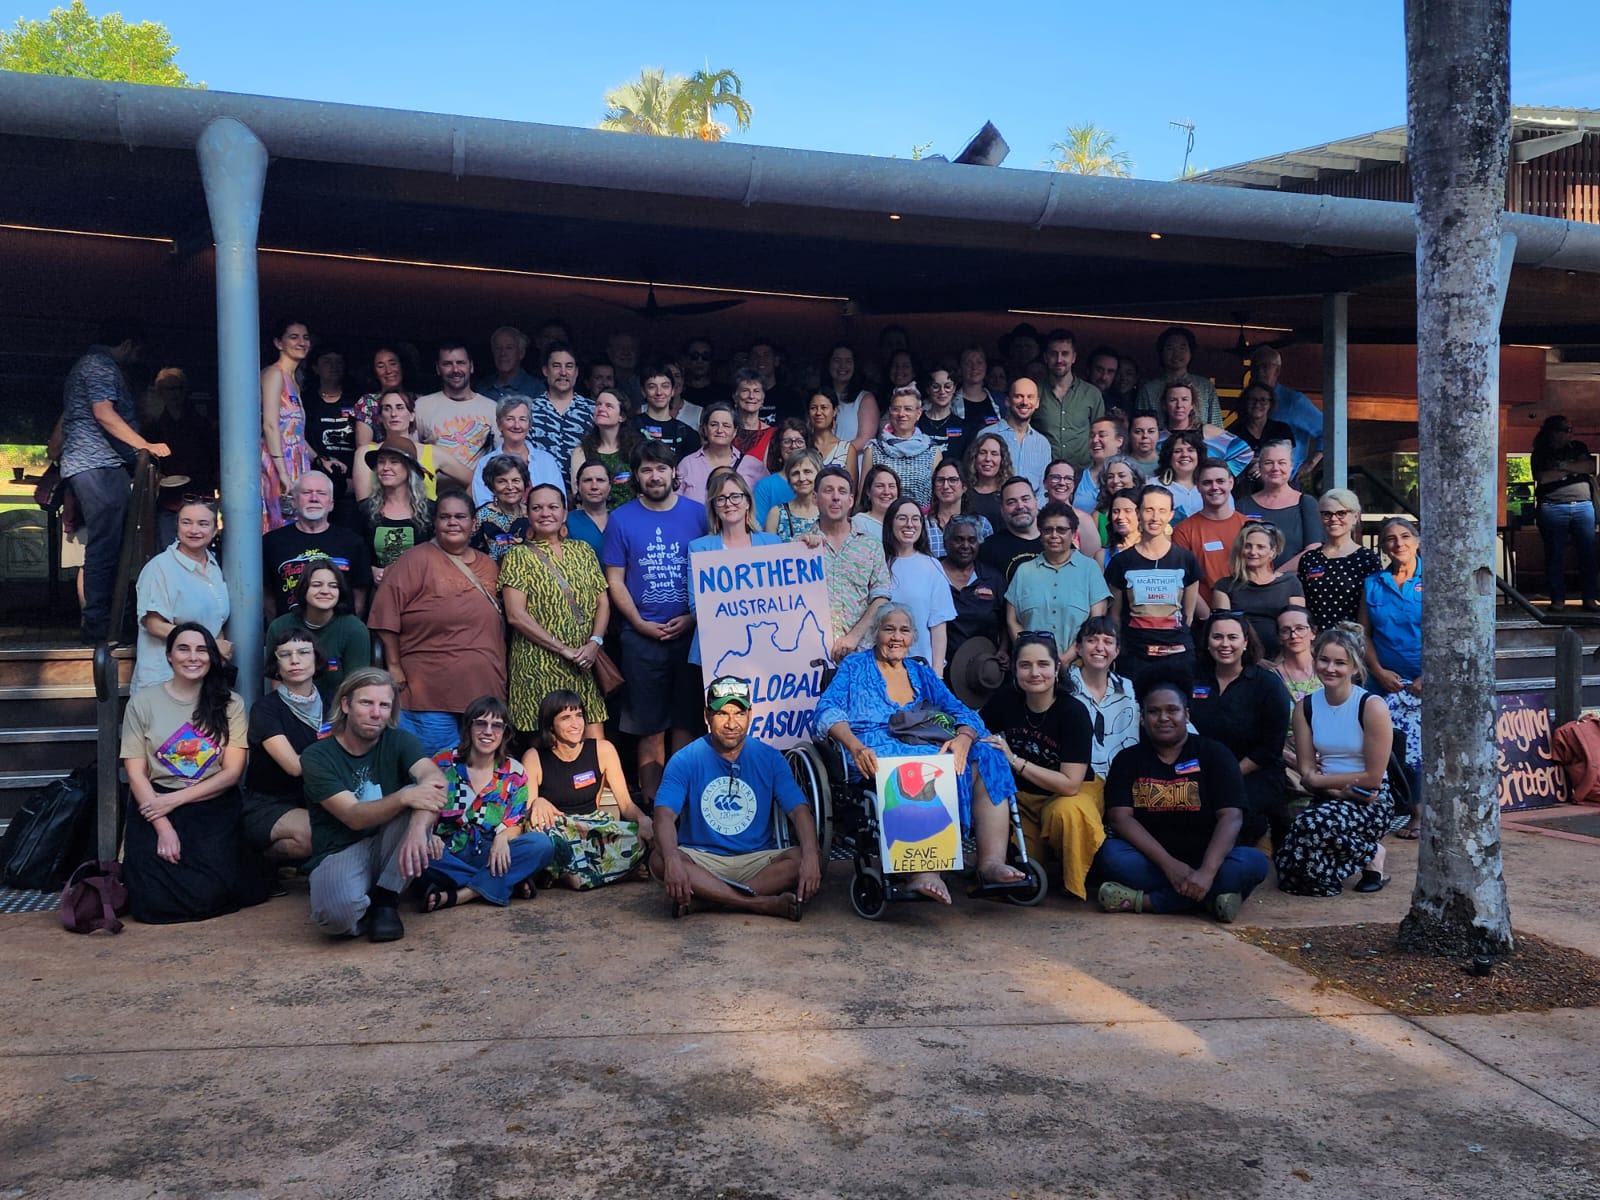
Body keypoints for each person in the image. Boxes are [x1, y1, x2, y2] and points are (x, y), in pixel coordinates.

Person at [815, 605, 1027, 903]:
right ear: (876, 634)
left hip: (924, 744)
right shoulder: (854, 667)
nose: (896, 637)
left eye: (904, 630)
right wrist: (855, 746)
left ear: (913, 636)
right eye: (889, 629)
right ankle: (923, 870)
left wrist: (965, 738)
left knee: (988, 755)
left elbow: (961, 710)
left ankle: (990, 863)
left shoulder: (920, 671)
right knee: (917, 765)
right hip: (872, 749)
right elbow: (826, 711)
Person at [120, 622, 266, 924]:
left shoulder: (231, 704)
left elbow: (232, 772)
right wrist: (163, 826)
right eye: (183, 649)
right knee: (150, 903)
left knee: (210, 893)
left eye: (201, 649)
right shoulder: (142, 703)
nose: (193, 657)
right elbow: (136, 773)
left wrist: (175, 801)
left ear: (212, 656)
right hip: (154, 805)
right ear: (169, 655)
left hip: (211, 805)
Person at [1093, 676, 1270, 920]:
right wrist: (1171, 866)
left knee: (1254, 862)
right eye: (1154, 712)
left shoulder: (1215, 754)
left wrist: (1207, 873)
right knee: (1110, 855)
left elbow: (1231, 816)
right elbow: (1120, 818)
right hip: (1152, 862)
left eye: (1172, 710)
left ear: (1186, 715)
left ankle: (1144, 901)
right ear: (1142, 719)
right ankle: (1209, 900)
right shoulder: (1127, 759)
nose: (1163, 717)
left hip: (1210, 859)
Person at [652, 676, 822, 919]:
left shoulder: (770, 758)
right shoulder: (685, 759)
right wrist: (672, 860)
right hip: (702, 858)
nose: (731, 723)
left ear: (750, 715)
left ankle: (709, 900)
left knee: (800, 857)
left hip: (756, 859)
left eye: (739, 714)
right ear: (706, 717)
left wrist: (811, 856)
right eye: (722, 714)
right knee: (660, 859)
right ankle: (759, 904)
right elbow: (664, 815)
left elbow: (799, 810)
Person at [301, 669, 448, 942]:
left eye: (384, 705)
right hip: (341, 849)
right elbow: (353, 816)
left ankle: (385, 900)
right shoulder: (316, 756)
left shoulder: (399, 740)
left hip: (391, 842)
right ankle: (365, 898)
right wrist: (405, 797)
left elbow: (435, 780)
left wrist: (420, 829)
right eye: (366, 703)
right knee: (335, 919)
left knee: (420, 793)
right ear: (345, 705)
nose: (376, 713)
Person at [604, 441, 707, 800]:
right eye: (646, 469)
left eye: (661, 468)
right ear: (636, 476)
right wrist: (638, 622)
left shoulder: (698, 514)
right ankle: (652, 805)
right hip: (641, 638)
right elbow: (614, 580)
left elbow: (714, 570)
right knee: (649, 728)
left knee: (685, 724)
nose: (654, 476)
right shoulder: (621, 519)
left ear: (674, 472)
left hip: (691, 637)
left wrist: (692, 619)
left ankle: (680, 802)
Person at [367, 491, 506, 755]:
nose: (453, 522)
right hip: (428, 693)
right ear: (435, 523)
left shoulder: (490, 566)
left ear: (473, 523)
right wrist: (394, 666)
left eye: (460, 517)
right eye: (445, 517)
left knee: (476, 778)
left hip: (484, 693)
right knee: (432, 774)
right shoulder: (414, 560)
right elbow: (385, 614)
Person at [62, 321, 168, 641]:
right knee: (105, 546)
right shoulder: (99, 366)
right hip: (96, 463)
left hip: (101, 464)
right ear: (126, 344)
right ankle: (99, 626)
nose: (136, 358)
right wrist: (143, 445)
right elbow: (103, 412)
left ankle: (107, 622)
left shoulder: (93, 366)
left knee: (112, 544)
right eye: (136, 352)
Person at [981, 631, 1104, 899]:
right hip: (1023, 799)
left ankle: (1075, 885)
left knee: (1067, 812)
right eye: (1025, 665)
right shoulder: (1005, 701)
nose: (1034, 673)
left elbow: (1070, 784)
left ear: (1057, 668)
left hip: (1069, 792)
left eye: (1043, 664)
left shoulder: (1073, 712)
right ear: (1014, 669)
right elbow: (977, 729)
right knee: (1025, 873)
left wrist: (1014, 760)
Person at [1274, 625, 1395, 895]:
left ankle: (1372, 852)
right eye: (1324, 660)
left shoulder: (1371, 706)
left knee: (1310, 825)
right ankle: (1367, 853)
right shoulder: (1306, 706)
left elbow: (1373, 777)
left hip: (1370, 798)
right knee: (1288, 869)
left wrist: (1321, 780)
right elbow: (1306, 771)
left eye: (1340, 663)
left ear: (1354, 667)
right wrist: (1333, 789)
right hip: (1328, 795)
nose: (1330, 668)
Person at [414, 697, 556, 912]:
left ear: (505, 733)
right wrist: (429, 834)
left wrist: (502, 838)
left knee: (542, 844)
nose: (488, 731)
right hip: (446, 850)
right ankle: (507, 883)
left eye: (496, 725)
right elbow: (424, 807)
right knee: (416, 853)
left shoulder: (514, 772)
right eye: (480, 723)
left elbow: (515, 822)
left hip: (491, 852)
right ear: (468, 727)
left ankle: (459, 895)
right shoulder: (442, 763)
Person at [499, 483, 611, 738]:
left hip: (583, 663)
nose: (545, 513)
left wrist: (594, 642)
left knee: (593, 744)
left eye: (552, 507)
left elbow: (602, 601)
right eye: (537, 508)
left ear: (564, 511)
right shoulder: (517, 556)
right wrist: (563, 649)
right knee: (547, 747)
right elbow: (516, 615)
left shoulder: (582, 550)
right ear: (527, 513)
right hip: (538, 666)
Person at [523, 689, 654, 889]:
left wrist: (643, 819)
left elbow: (626, 805)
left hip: (593, 830)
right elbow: (527, 814)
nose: (575, 724)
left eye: (579, 716)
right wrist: (538, 802)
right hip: (559, 829)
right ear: (551, 724)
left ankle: (569, 874)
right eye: (566, 718)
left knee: (643, 838)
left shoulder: (603, 749)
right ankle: (614, 874)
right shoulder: (534, 757)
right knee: (538, 834)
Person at [1187, 611, 1292, 848]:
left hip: (1253, 772)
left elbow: (1270, 748)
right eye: (1217, 637)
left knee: (1231, 816)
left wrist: (1227, 774)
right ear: (1207, 641)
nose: (1225, 644)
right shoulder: (1191, 678)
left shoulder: (1267, 684)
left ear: (1245, 642)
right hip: (1198, 771)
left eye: (1232, 637)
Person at [1360, 517, 1424, 839]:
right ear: (1382, 546)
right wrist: (1379, 671)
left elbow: (1448, 632)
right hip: (1383, 680)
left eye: (1404, 536)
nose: (1398, 543)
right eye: (1389, 539)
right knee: (1382, 745)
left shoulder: (1436, 579)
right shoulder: (1373, 583)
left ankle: (1421, 812)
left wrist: (1428, 677)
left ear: (1418, 540)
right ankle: (1392, 809)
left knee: (1419, 750)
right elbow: (1365, 635)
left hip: (1426, 682)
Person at [1104, 484, 1201, 685]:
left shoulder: (1186, 559)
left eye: (1162, 510)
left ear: (1171, 514)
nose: (1155, 517)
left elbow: (1188, 615)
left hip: (1178, 657)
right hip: (1135, 657)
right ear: (1138, 512)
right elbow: (1115, 616)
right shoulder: (1121, 562)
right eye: (1149, 510)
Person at [242, 626, 323, 866]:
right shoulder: (265, 709)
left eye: (303, 652)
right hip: (270, 803)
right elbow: (294, 766)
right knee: (317, 833)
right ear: (276, 664)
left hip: (321, 797)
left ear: (316, 659)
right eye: (285, 655)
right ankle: (259, 861)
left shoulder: (334, 701)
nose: (295, 660)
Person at [133, 499, 231, 693]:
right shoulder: (160, 567)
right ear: (177, 527)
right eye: (186, 522)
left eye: (203, 524)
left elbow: (216, 619)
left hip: (202, 679)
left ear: (214, 530)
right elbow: (154, 625)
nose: (194, 530)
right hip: (163, 682)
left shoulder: (214, 566)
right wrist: (210, 644)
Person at [690, 467, 785, 664]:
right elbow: (695, 608)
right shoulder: (699, 549)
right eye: (720, 498)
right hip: (719, 651)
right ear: (714, 507)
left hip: (768, 648)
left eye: (735, 496)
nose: (728, 503)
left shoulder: (773, 543)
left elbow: (786, 598)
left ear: (747, 502)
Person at [1005, 501, 1111, 663]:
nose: (1054, 535)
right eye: (1048, 530)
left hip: (1078, 666)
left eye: (1061, 530)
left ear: (1074, 533)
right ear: (1040, 533)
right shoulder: (1024, 571)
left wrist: (1066, 659)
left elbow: (1095, 622)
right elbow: (1012, 620)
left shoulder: (1089, 569)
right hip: (1034, 669)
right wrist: (1031, 657)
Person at [262, 471, 372, 620]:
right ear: (294, 501)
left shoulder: (353, 542)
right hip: (291, 637)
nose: (314, 498)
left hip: (339, 634)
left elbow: (359, 596)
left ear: (331, 504)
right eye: (306, 493)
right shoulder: (271, 543)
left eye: (321, 493)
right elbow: (267, 597)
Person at [808, 465, 891, 661]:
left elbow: (881, 596)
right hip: (812, 658)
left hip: (861, 654)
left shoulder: (870, 544)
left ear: (851, 500)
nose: (836, 497)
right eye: (828, 491)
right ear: (814, 498)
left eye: (842, 491)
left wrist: (853, 637)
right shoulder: (799, 547)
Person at [263, 556, 370, 708]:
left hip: (339, 712)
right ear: (303, 588)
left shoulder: (354, 629)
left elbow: (357, 686)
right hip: (291, 708)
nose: (325, 591)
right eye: (316, 585)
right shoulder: (280, 626)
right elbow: (277, 681)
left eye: (333, 586)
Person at [1531, 414, 1600, 610]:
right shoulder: (1541, 452)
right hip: (1552, 508)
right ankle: (1558, 600)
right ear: (1553, 432)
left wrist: (1561, 467)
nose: (1569, 434)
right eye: (1565, 430)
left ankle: (1589, 598)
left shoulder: (1578, 447)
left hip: (1583, 506)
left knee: (1588, 554)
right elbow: (1543, 477)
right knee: (1555, 555)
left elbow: (1590, 466)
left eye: (1570, 430)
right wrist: (1574, 469)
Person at [1210, 522, 1308, 658]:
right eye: (1248, 546)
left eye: (1260, 547)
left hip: (1282, 659)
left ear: (1272, 552)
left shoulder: (1290, 583)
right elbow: (1223, 630)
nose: (1253, 552)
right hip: (1240, 659)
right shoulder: (1225, 586)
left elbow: (1298, 627)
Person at [1172, 460, 1259, 609]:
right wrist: (1206, 616)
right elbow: (1181, 579)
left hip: (1250, 611)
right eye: (1207, 483)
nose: (1215, 487)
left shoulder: (1251, 527)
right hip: (1206, 616)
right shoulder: (1184, 530)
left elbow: (1262, 572)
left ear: (1231, 483)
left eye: (1220, 481)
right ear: (1198, 486)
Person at [884, 496, 956, 674]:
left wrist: (937, 672)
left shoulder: (932, 566)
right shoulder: (876, 561)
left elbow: (938, 624)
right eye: (902, 518)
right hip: (879, 668)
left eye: (916, 519)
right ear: (890, 523)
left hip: (920, 669)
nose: (910, 524)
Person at [414, 340, 497, 492]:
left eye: (461, 363)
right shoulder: (422, 406)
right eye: (447, 364)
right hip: (432, 497)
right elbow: (411, 456)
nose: (455, 369)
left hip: (476, 496)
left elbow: (501, 458)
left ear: (471, 366)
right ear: (438, 368)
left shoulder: (491, 408)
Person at [1298, 488, 1382, 631]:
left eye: (1341, 513)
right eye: (1327, 514)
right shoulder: (1309, 559)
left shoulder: (1367, 559)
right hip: (1316, 642)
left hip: (1353, 642)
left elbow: (1374, 606)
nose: (1333, 519)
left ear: (1355, 516)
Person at [1068, 615, 1140, 780]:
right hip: (1078, 782)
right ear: (1078, 648)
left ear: (1117, 651)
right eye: (1092, 640)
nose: (1100, 648)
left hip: (1126, 781)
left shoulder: (1130, 689)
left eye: (1108, 642)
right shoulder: (1063, 689)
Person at [260, 319, 314, 532]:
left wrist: (318, 458)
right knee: (280, 520)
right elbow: (271, 425)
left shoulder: (294, 379)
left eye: (305, 337)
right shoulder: (274, 374)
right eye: (294, 337)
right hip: (277, 460)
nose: (301, 342)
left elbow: (295, 432)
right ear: (278, 343)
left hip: (296, 459)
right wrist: (281, 471)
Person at [359, 439, 434, 589]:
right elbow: (357, 553)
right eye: (381, 462)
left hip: (421, 591)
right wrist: (371, 570)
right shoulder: (364, 509)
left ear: (409, 468)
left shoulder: (430, 510)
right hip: (380, 592)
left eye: (394, 462)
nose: (385, 467)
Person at [468, 395, 565, 510]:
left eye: (522, 419)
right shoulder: (485, 463)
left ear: (529, 425)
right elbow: (483, 505)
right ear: (499, 425)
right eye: (510, 419)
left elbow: (560, 501)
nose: (517, 425)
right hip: (499, 526)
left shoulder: (546, 460)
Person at [940, 514, 1007, 670]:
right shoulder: (931, 573)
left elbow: (1005, 621)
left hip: (981, 671)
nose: (965, 546)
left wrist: (1003, 649)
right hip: (939, 667)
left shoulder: (993, 578)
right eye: (958, 539)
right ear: (946, 542)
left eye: (972, 540)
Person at [304, 343, 360, 527]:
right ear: (315, 368)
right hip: (314, 484)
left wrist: (358, 480)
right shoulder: (306, 400)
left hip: (351, 485)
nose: (333, 366)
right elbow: (294, 436)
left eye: (338, 362)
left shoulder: (357, 400)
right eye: (327, 362)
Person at [1246, 440, 1322, 571]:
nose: (1275, 468)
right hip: (1250, 586)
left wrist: (1274, 577)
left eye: (1282, 463)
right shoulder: (1243, 505)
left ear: (1291, 467)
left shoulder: (1306, 503)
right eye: (1269, 463)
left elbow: (1313, 550)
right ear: (1260, 467)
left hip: (1294, 586)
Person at [1035, 329, 1105, 473]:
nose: (1059, 359)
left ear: (1074, 357)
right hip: (1044, 475)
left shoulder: (1091, 394)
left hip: (1083, 474)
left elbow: (1102, 436)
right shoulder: (1034, 392)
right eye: (1054, 354)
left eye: (1065, 353)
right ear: (1045, 357)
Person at [861, 386, 941, 508]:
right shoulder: (874, 449)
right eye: (896, 409)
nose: (901, 414)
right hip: (880, 521)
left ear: (918, 413)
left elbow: (937, 497)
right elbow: (862, 496)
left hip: (919, 522)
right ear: (890, 412)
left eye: (908, 409)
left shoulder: (932, 451)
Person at [354, 389, 438, 505]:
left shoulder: (432, 452)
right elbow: (365, 505)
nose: (393, 414)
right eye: (387, 409)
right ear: (380, 418)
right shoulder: (366, 452)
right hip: (380, 520)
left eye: (400, 407)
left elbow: (471, 479)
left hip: (424, 520)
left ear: (412, 415)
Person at [1252, 346, 1324, 478]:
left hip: (1286, 481)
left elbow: (1328, 430)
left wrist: (1311, 463)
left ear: (1277, 370)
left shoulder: (1294, 401)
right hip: (1253, 480)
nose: (1259, 371)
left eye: (1265, 366)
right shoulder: (1249, 401)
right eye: (1255, 367)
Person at [1159, 380, 1254, 477]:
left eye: (1184, 399)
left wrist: (1220, 474)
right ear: (1165, 405)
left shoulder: (1208, 432)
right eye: (1173, 400)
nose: (1179, 405)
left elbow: (1245, 453)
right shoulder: (1157, 437)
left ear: (1192, 404)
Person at [1135, 326, 1223, 426]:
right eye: (1170, 348)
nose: (1176, 353)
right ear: (1161, 352)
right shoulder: (1148, 389)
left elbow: (1217, 427)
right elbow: (1140, 427)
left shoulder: (1205, 386)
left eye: (1182, 347)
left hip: (1199, 441)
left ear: (1191, 352)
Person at [678, 401, 763, 504]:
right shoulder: (687, 464)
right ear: (705, 428)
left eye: (726, 426)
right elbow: (675, 504)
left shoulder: (753, 465)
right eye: (713, 425)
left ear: (735, 431)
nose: (719, 430)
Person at [570, 387, 641, 509]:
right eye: (598, 404)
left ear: (622, 417)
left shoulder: (637, 448)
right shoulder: (582, 451)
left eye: (609, 406)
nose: (601, 409)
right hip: (593, 520)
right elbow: (578, 494)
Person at [526, 342, 594, 466]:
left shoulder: (592, 410)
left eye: (569, 366)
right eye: (556, 366)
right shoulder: (530, 410)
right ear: (545, 370)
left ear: (576, 371)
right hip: (540, 484)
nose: (563, 372)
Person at [631, 360, 702, 462]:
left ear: (672, 390)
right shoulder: (631, 427)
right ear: (643, 391)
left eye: (665, 386)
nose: (659, 392)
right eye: (652, 386)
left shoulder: (688, 434)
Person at [978, 476, 1043, 582]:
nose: (1020, 506)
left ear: (1036, 502)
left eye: (1025, 499)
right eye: (1011, 502)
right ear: (1002, 510)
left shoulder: (1056, 541)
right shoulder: (988, 550)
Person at [996, 377, 1053, 494]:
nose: (1025, 402)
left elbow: (1044, 487)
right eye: (1018, 396)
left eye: (1030, 397)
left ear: (1037, 403)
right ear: (1007, 401)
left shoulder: (1042, 443)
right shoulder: (988, 435)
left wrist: (1036, 510)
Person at [926, 458, 993, 558]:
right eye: (940, 480)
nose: (946, 486)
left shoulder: (982, 524)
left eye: (953, 480)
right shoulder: (923, 524)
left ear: (964, 486)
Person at [470, 453, 531, 561]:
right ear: (492, 486)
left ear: (524, 483)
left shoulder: (532, 514)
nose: (510, 487)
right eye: (502, 481)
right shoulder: (481, 516)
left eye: (516, 480)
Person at [820, 343, 879, 449]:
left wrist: (834, 455)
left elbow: (865, 440)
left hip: (852, 462)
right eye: (837, 360)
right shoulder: (819, 397)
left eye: (848, 361)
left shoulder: (865, 399)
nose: (843, 366)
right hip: (820, 462)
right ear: (828, 364)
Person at [752, 420, 811, 525]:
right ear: (779, 446)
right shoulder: (765, 486)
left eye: (799, 441)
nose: (793, 446)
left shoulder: (818, 480)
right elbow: (758, 527)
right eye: (787, 441)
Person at [352, 345, 412, 441]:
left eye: (393, 364)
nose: (388, 371)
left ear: (402, 366)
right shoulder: (368, 402)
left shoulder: (418, 400)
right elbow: (363, 447)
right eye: (381, 366)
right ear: (374, 372)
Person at [1235, 381, 1296, 473]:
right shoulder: (1234, 431)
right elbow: (1231, 462)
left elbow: (1285, 458)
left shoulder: (1282, 429)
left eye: (1263, 400)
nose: (1257, 404)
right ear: (1245, 402)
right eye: (1252, 400)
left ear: (1271, 404)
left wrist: (1259, 464)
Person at [764, 448, 823, 540]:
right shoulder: (777, 513)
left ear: (819, 475)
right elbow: (768, 552)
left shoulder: (828, 511)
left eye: (807, 472)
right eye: (795, 473)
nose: (802, 478)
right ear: (789, 479)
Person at [1071, 416, 1126, 512]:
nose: (1095, 440)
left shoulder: (1130, 476)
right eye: (1092, 436)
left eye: (1102, 435)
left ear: (1119, 441)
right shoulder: (1077, 478)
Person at [962, 431, 1013, 532]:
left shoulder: (1009, 493)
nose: (988, 459)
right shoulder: (964, 492)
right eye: (983, 453)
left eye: (994, 454)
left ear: (1002, 460)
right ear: (974, 457)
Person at [475, 325, 543, 401]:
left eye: (509, 348)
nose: (503, 353)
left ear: (521, 353)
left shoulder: (536, 389)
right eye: (498, 348)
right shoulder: (482, 387)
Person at [920, 365, 970, 460]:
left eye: (947, 386)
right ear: (928, 389)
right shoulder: (916, 423)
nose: (942, 391)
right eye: (935, 387)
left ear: (954, 388)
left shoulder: (963, 426)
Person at [1156, 427, 1205, 521]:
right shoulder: (1155, 485)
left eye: (1190, 450)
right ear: (1169, 457)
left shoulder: (1212, 485)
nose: (1185, 455)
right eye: (1177, 451)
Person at [565, 459, 613, 558]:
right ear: (578, 486)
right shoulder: (567, 521)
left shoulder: (621, 520)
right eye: (587, 480)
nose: (594, 486)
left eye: (600, 480)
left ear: (609, 486)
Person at [806, 389, 857, 478]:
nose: (818, 412)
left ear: (834, 411)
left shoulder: (846, 450)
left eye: (824, 407)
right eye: (813, 408)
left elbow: (851, 488)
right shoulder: (802, 446)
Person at [730, 367, 775, 462]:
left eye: (756, 391)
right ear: (735, 397)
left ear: (763, 398)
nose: (751, 396)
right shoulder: (724, 431)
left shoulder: (773, 435)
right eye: (745, 390)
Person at [852, 462, 902, 539]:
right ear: (868, 491)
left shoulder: (905, 522)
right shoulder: (858, 523)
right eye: (880, 486)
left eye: (891, 486)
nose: (886, 492)